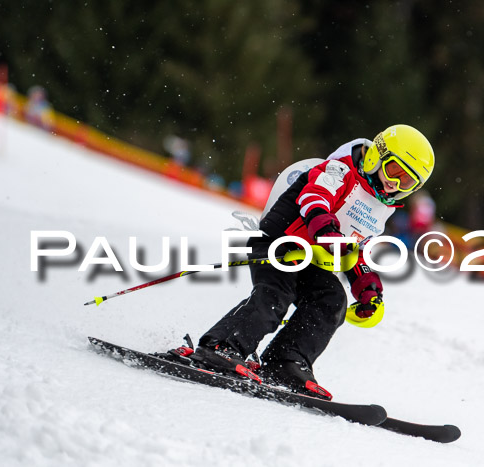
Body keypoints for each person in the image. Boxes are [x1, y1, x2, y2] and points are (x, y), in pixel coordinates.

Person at [186, 124, 435, 399]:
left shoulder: (381, 207)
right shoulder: (338, 171)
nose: (395, 184)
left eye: (407, 182)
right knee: (276, 294)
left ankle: (285, 362)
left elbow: (355, 249)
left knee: (331, 301)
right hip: (280, 245)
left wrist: (367, 288)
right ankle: (221, 346)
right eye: (394, 172)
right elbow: (314, 199)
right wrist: (326, 231)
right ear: (377, 155)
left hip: (313, 260)